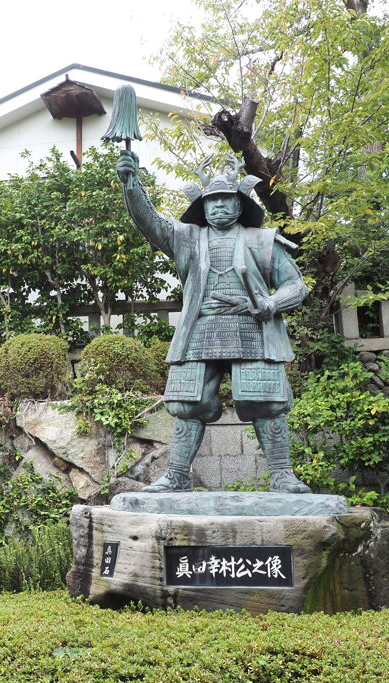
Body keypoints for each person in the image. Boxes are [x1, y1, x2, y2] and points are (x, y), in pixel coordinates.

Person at [116, 150, 310, 494]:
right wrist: (131, 184)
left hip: (252, 329)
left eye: (226, 201)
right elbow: (150, 222)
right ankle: (176, 474)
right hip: (201, 329)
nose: (219, 206)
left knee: (266, 401)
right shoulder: (186, 238)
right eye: (212, 201)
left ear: (240, 205)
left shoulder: (262, 240)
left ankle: (281, 474)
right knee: (187, 403)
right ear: (202, 207)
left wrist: (270, 303)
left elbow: (296, 285)